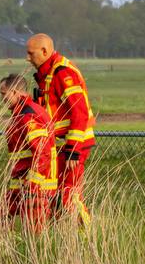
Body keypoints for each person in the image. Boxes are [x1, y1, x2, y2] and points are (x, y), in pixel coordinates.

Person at [26, 33, 96, 228]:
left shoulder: (63, 73)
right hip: (61, 147)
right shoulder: (48, 74)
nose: (27, 58)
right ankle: (65, 240)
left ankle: (87, 236)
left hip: (72, 147)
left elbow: (79, 113)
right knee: (57, 196)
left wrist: (73, 149)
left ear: (44, 51)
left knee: (69, 195)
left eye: (31, 54)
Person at [0, 74, 56, 232]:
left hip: (35, 187)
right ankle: (6, 251)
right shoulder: (21, 113)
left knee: (34, 232)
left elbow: (43, 153)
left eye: (3, 93)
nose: (2, 98)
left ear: (15, 92)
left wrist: (33, 183)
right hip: (21, 183)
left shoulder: (28, 116)